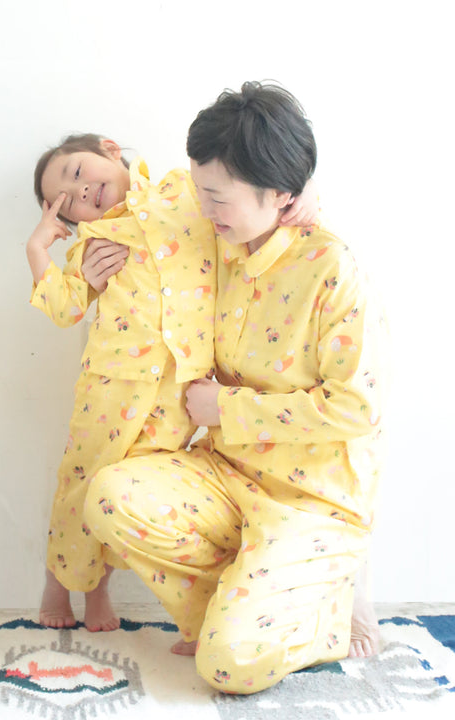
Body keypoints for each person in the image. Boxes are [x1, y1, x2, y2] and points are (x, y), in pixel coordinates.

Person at [82, 82, 386, 694]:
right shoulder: (215, 242)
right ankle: (238, 605)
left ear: (279, 194)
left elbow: (357, 407)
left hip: (311, 499)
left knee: (228, 666)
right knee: (109, 495)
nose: (202, 207)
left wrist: (226, 408)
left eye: (216, 197)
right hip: (226, 476)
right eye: (200, 191)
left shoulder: (332, 269)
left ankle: (323, 609)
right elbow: (148, 202)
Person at [27, 133, 318, 632]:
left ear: (109, 149)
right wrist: (39, 251)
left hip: (178, 394)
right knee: (81, 483)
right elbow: (64, 309)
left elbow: (247, 203)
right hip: (110, 389)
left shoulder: (186, 190)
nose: (81, 192)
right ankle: (58, 584)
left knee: (131, 490)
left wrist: (303, 188)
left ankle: (100, 589)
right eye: (67, 202)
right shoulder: (93, 242)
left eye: (77, 173)